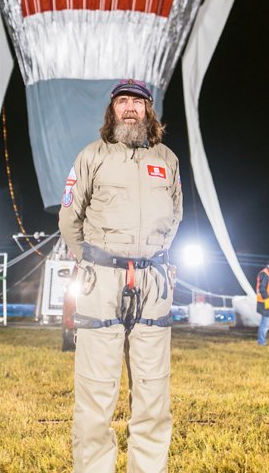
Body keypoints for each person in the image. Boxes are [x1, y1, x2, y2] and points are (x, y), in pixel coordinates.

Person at [59, 78, 183, 473]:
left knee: (153, 392)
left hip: (153, 282)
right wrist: (91, 261)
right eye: (123, 102)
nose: (130, 108)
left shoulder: (167, 159)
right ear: (111, 111)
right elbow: (69, 217)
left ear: (150, 112)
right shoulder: (91, 156)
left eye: (138, 103)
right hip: (102, 281)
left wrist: (152, 257)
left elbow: (176, 214)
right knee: (96, 392)